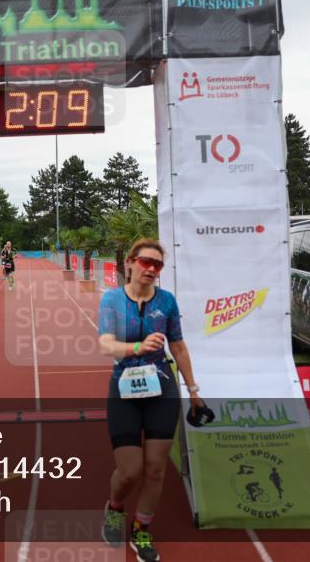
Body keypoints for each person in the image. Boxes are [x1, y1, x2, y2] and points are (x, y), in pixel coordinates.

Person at [97, 238, 203, 562]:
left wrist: (194, 390)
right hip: (124, 392)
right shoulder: (112, 299)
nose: (151, 269)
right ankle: (115, 508)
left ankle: (141, 530)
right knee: (130, 470)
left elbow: (179, 347)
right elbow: (106, 344)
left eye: (157, 265)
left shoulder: (167, 302)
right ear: (130, 262)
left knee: (156, 469)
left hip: (162, 390)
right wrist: (137, 349)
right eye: (146, 262)